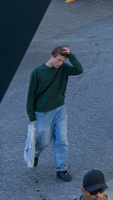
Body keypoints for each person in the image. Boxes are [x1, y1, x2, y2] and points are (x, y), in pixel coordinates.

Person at [26, 44, 84, 181]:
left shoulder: (64, 68)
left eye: (62, 61)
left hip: (60, 109)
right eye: (58, 60)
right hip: (44, 112)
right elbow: (31, 94)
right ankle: (35, 153)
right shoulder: (38, 72)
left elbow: (79, 70)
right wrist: (31, 115)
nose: (60, 63)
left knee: (62, 140)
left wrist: (71, 55)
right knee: (44, 140)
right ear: (52, 57)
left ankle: (61, 169)